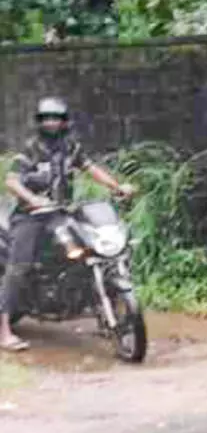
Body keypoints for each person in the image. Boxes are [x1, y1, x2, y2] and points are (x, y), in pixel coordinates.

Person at [2, 97, 134, 352]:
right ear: (39, 122)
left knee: (88, 252)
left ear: (64, 122)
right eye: (46, 119)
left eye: (56, 118)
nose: (51, 123)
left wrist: (117, 187)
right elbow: (12, 181)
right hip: (30, 216)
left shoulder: (70, 146)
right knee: (19, 268)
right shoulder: (30, 149)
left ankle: (103, 313)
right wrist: (32, 199)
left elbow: (90, 168)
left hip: (60, 213)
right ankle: (4, 331)